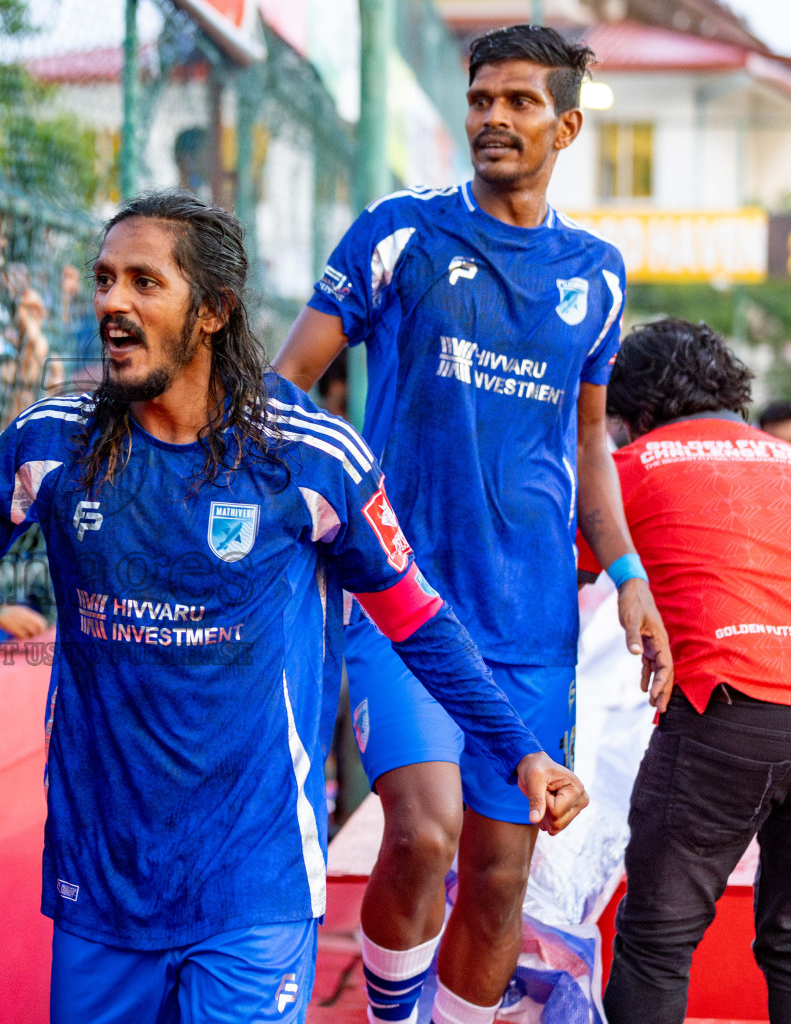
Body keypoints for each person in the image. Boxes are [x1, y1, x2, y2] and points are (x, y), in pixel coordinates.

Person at [0, 188, 587, 1023]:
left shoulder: (312, 456)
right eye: (106, 279)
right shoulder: (52, 441)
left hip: (254, 881)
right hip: (103, 880)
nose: (112, 300)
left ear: (213, 311)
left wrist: (518, 752)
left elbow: (416, 619)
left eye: (145, 282)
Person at [269, 24, 672, 1024]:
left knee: (502, 869)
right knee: (426, 830)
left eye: (521, 102)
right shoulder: (401, 232)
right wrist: (340, 514)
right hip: (406, 607)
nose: (494, 117)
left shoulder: (600, 273)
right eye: (483, 98)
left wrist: (628, 577)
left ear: (567, 124)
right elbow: (287, 385)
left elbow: (586, 445)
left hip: (533, 627)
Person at [592, 318, 791, 1024]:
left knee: (657, 941)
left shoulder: (632, 465)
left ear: (640, 413)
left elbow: (551, 574)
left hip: (731, 709)